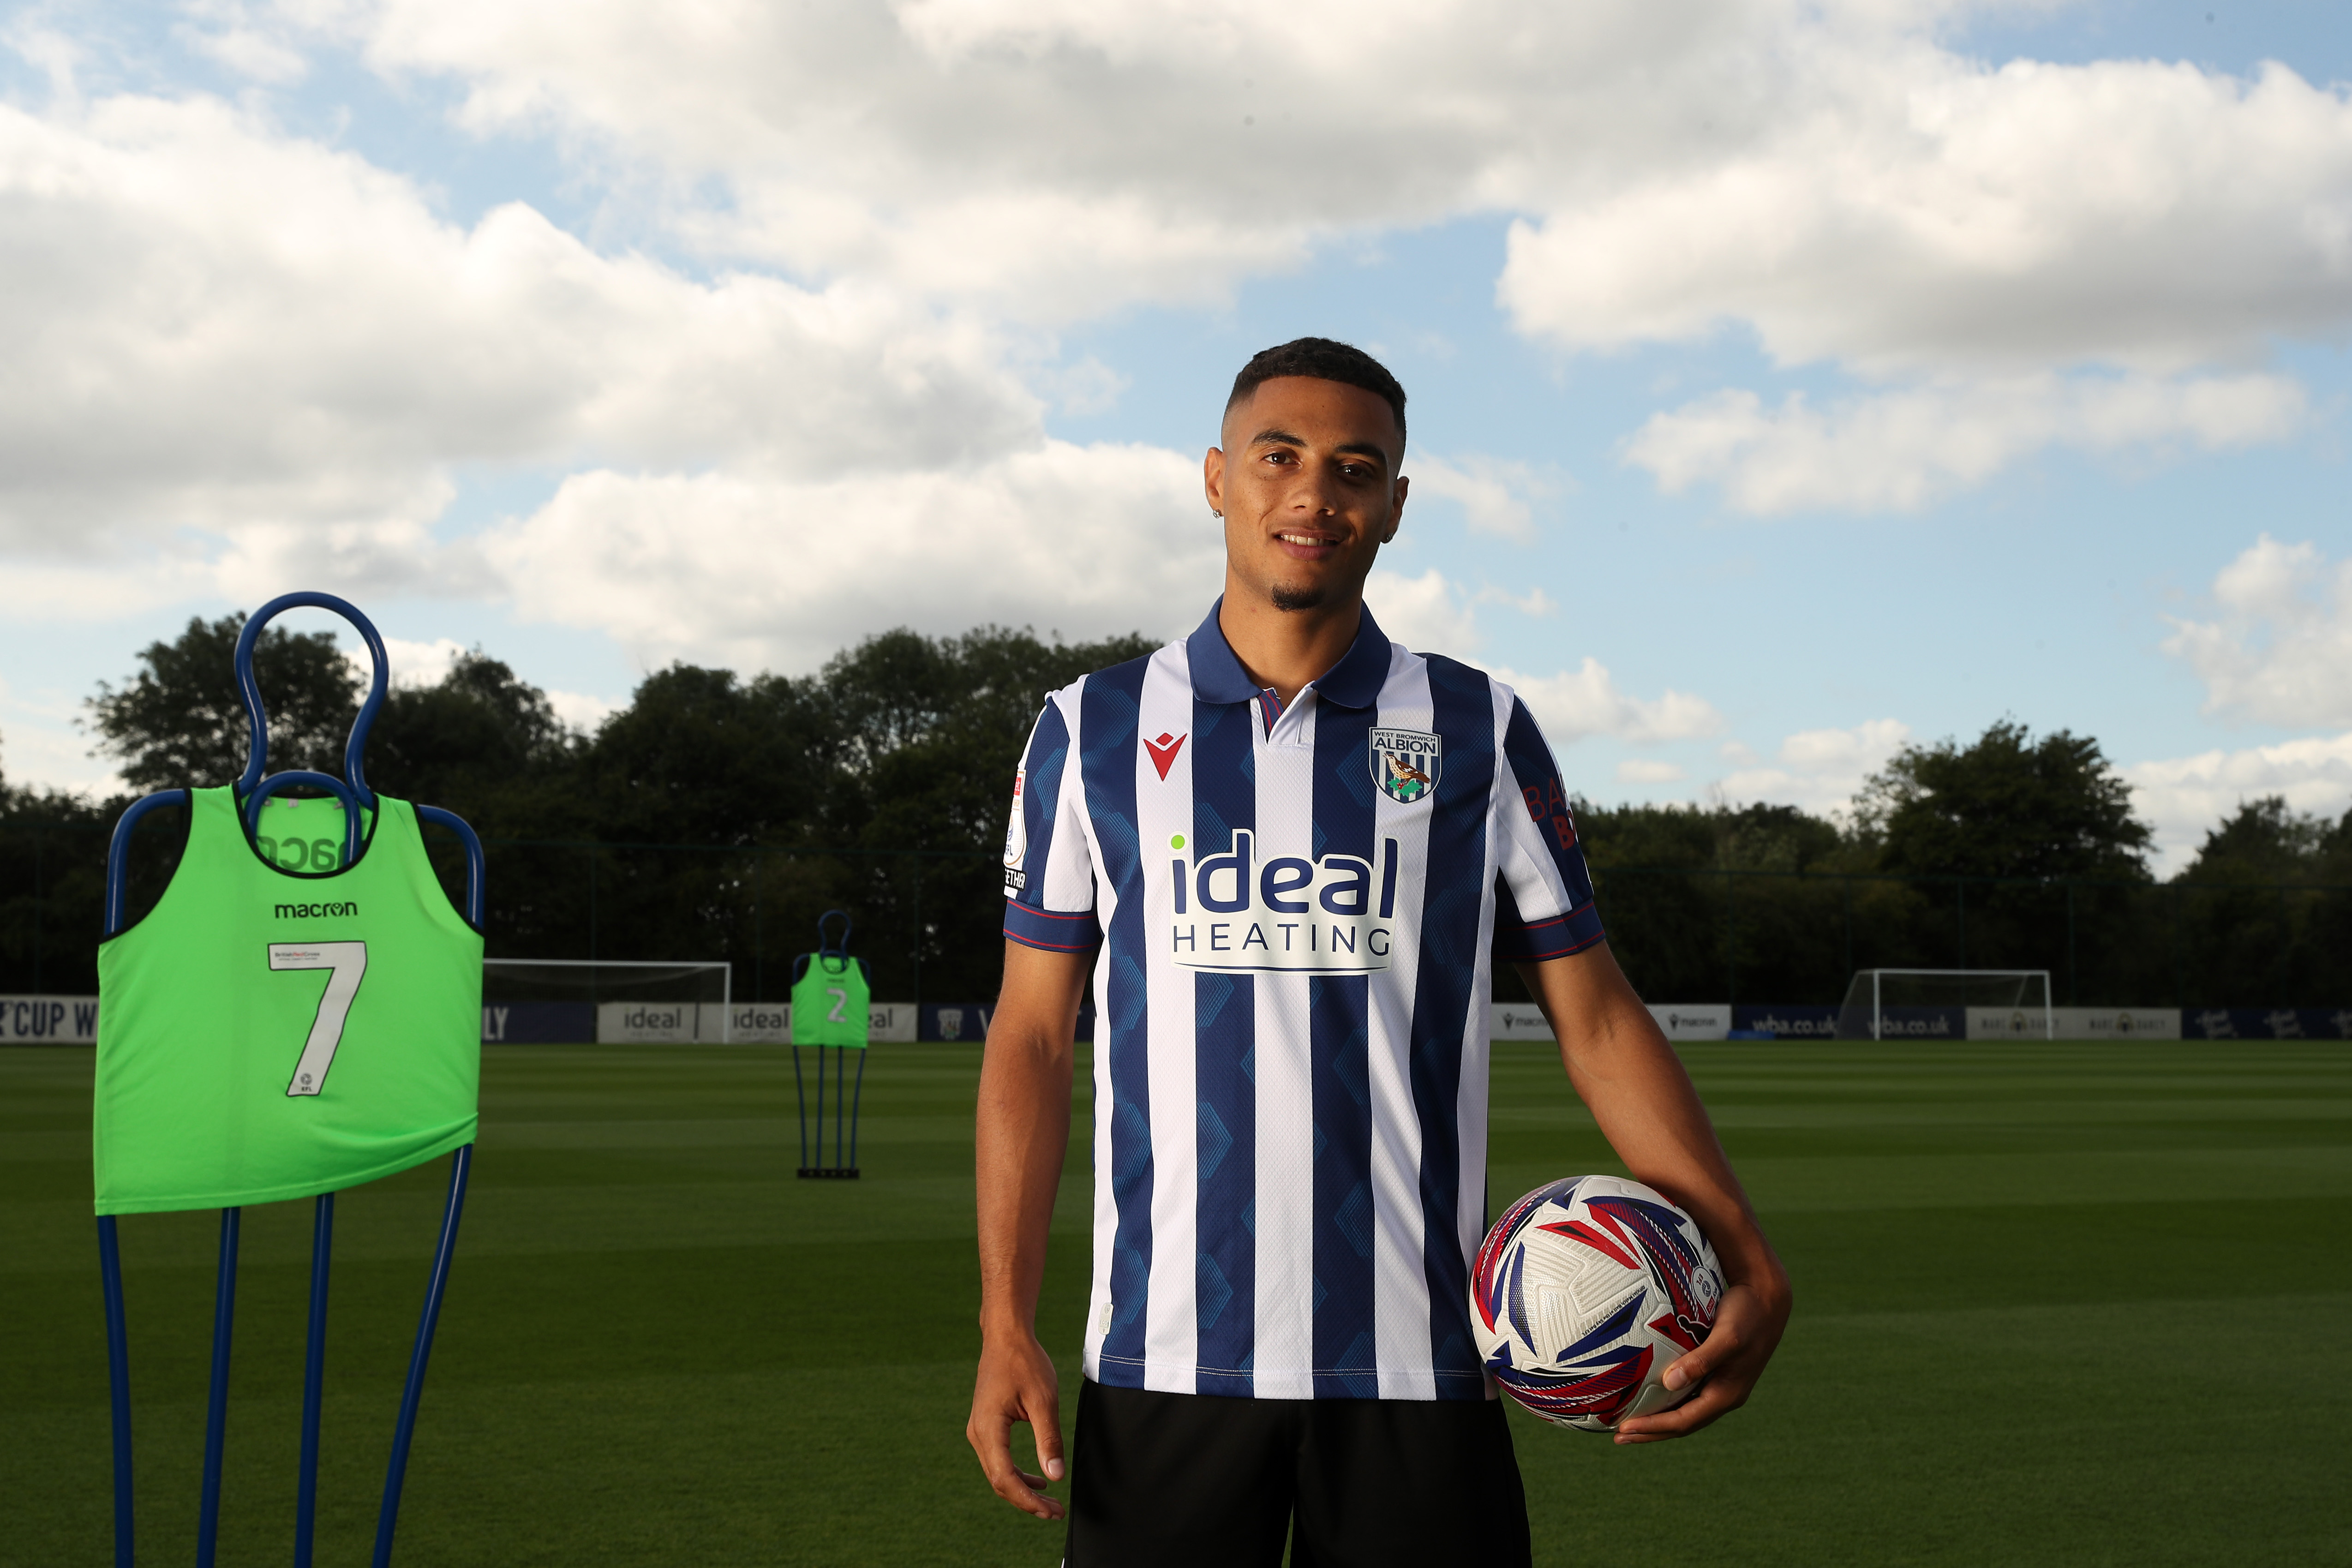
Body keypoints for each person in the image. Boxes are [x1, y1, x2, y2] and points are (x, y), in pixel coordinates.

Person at [967, 337, 1791, 1566]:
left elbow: (1598, 1018)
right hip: (1166, 1358)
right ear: (1214, 479)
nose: (1314, 492)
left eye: (1356, 468)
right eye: (1278, 458)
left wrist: (1741, 1250)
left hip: (1424, 1364)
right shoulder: (1087, 731)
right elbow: (1032, 1037)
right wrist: (1003, 1320)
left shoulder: (1474, 727)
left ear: (1393, 507)